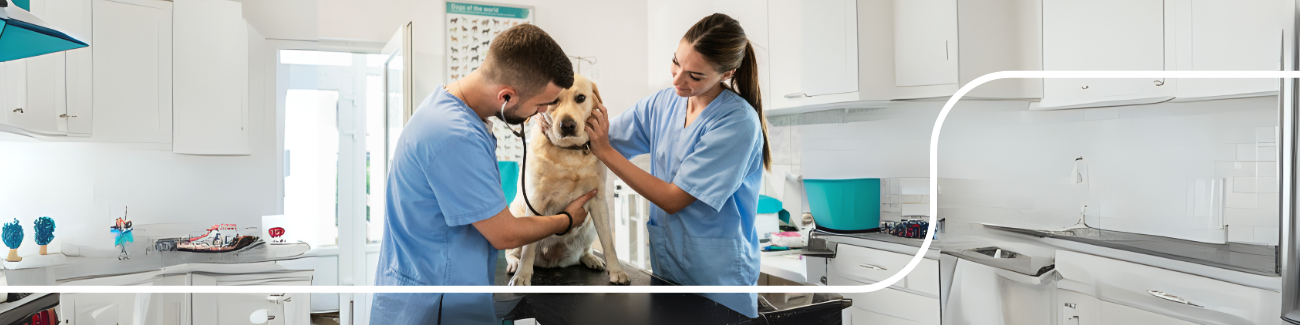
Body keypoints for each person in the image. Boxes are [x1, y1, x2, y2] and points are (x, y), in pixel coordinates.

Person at [370, 24, 598, 325]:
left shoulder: (447, 107)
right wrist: (567, 220)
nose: (543, 114)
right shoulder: (455, 136)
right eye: (542, 104)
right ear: (506, 97)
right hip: (435, 304)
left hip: (429, 291)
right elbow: (504, 234)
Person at [582, 13, 770, 318]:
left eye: (694, 76)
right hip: (669, 273)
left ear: (727, 73)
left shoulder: (736, 122)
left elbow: (673, 199)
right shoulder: (663, 104)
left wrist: (604, 152)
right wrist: (555, 116)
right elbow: (601, 136)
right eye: (676, 63)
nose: (677, 80)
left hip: (717, 283)